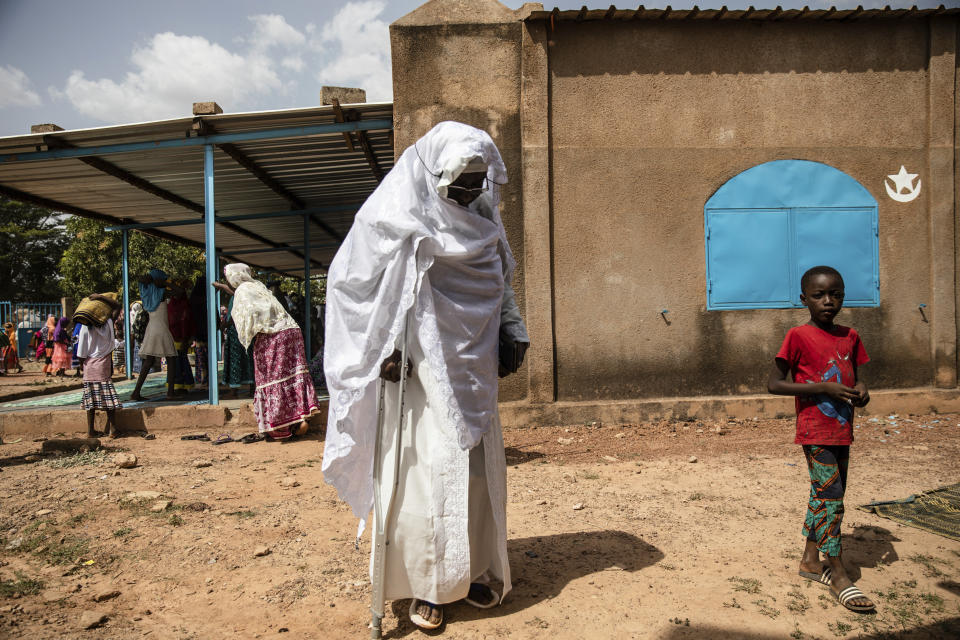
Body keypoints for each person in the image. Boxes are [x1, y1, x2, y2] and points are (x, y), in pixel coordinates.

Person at [323, 121, 530, 629]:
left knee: (476, 474)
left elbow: (501, 278)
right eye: (459, 182)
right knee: (424, 473)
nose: (468, 192)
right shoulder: (392, 215)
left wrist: (512, 327)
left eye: (476, 181)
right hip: (415, 374)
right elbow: (357, 286)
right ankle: (428, 585)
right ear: (433, 172)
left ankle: (475, 567)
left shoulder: (483, 215)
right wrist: (383, 350)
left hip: (474, 368)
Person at [768, 265, 875, 613]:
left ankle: (810, 561)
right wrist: (823, 387)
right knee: (832, 499)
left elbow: (856, 378)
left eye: (836, 294)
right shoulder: (798, 336)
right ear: (804, 299)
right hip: (815, 430)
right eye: (819, 295)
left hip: (842, 429)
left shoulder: (851, 336)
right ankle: (838, 572)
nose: (828, 301)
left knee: (824, 494)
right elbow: (774, 383)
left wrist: (861, 391)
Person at [213, 263, 319, 438]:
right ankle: (300, 419)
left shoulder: (243, 291)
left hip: (273, 335)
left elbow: (246, 317)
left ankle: (280, 427)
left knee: (270, 377)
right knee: (291, 375)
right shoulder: (257, 286)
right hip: (291, 331)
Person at [77, 294, 123, 438]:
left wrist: (81, 367)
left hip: (89, 365)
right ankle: (113, 429)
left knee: (90, 400)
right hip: (103, 363)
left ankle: (90, 431)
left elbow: (81, 352)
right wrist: (101, 298)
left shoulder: (85, 328)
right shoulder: (108, 323)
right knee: (108, 398)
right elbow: (117, 306)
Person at [130, 270, 180, 401]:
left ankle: (136, 392)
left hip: (151, 328)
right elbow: (179, 292)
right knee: (171, 358)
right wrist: (164, 283)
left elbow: (141, 282)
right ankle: (170, 392)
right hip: (161, 328)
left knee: (148, 361)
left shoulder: (146, 293)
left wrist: (150, 281)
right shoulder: (162, 293)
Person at [167, 279, 195, 394]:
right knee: (178, 362)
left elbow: (186, 322)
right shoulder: (174, 304)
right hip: (173, 337)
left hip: (180, 337)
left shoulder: (183, 305)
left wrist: (185, 338)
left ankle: (180, 385)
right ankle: (180, 385)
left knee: (179, 362)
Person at [189, 275, 209, 387]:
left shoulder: (194, 298)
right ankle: (205, 379)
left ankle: (202, 379)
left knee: (200, 357)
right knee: (205, 357)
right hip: (205, 331)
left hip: (199, 331)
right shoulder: (205, 299)